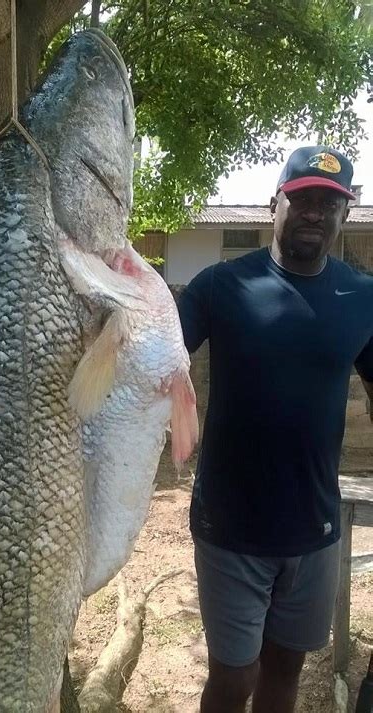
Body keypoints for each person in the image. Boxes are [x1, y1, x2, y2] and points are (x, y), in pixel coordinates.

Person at [178, 146, 373, 713]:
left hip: (313, 526)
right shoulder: (219, 287)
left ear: (344, 215)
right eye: (303, 198)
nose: (314, 212)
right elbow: (154, 360)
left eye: (329, 203)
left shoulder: (362, 299)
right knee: (234, 679)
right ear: (276, 204)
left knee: (284, 673)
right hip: (230, 523)